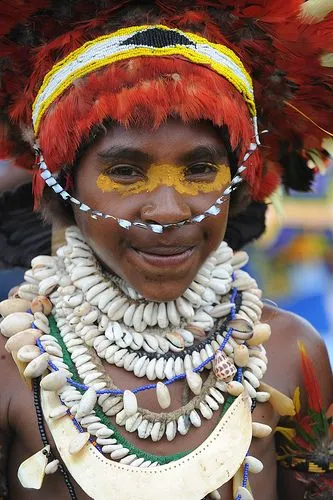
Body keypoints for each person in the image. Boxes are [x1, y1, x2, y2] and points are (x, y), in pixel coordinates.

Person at [0, 2, 332, 499]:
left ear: (237, 181)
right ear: (63, 185)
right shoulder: (11, 366)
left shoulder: (290, 353)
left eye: (199, 169)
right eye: (126, 172)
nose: (168, 211)